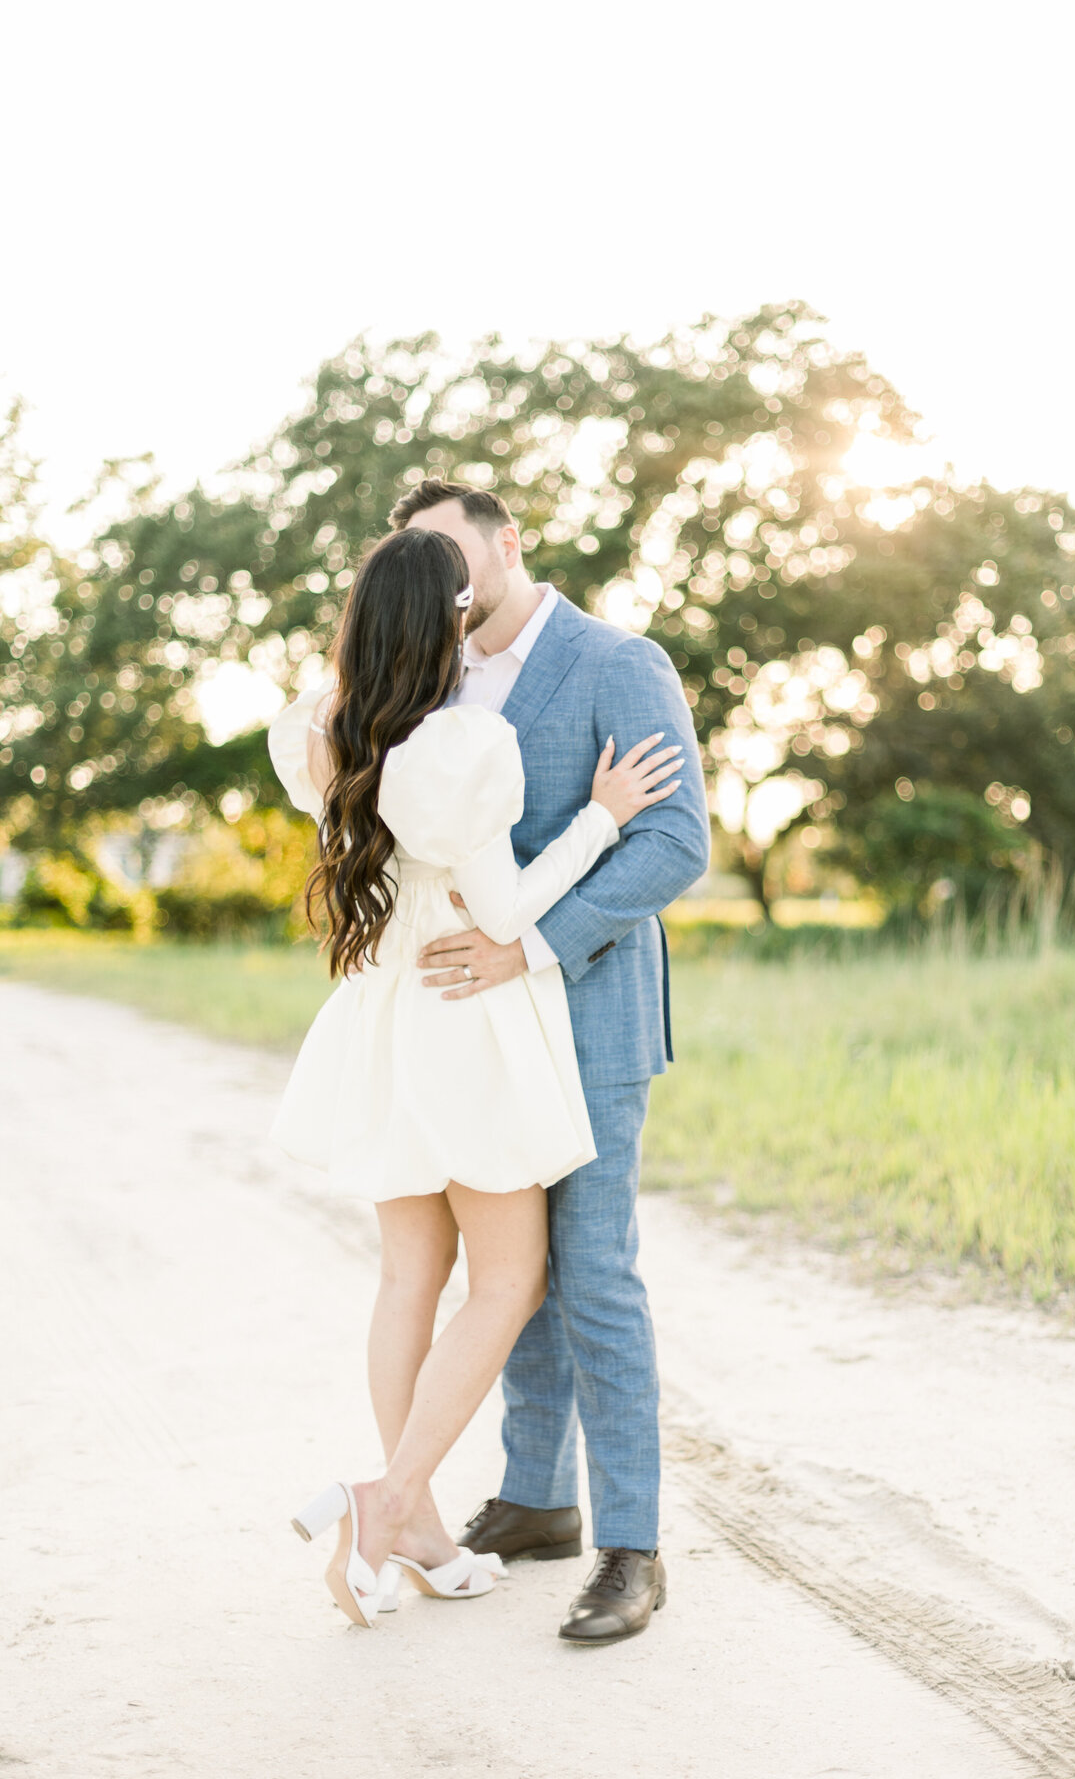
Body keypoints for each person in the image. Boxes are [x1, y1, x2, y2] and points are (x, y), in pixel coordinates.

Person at [271, 524, 686, 1627]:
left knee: (412, 1273)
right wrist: (603, 816)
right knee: (513, 1282)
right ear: (451, 616)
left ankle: (424, 1527)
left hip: (391, 1020)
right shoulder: (460, 746)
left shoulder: (321, 731)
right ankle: (391, 1498)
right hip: (469, 1023)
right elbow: (501, 915)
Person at [393, 480, 710, 1646]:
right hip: (475, 1037)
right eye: (416, 559)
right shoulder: (430, 677)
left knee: (594, 1275)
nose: (441, 575)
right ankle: (538, 1499)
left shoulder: (622, 664)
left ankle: (633, 1545)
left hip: (588, 1018)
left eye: (450, 548)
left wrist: (529, 948)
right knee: (507, 1274)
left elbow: (676, 845)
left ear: (506, 540)